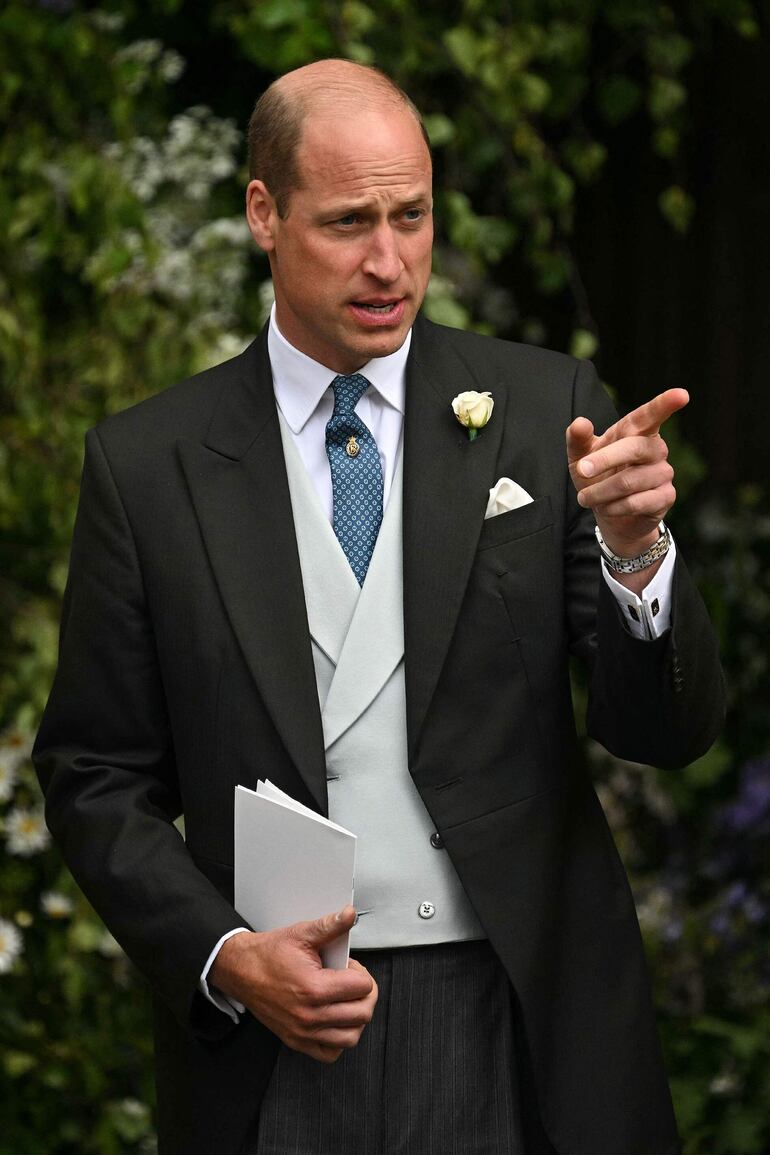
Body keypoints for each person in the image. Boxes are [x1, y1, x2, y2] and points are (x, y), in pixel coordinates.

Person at [34, 59, 724, 1155]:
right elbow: (93, 775)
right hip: (276, 1038)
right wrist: (219, 954)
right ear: (263, 212)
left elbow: (662, 735)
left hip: (517, 1008)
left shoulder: (548, 412)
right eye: (349, 221)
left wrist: (634, 554)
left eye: (411, 216)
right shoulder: (148, 463)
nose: (389, 261)